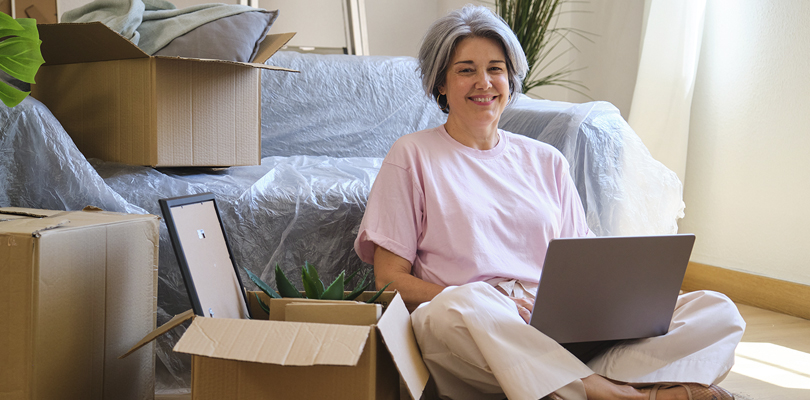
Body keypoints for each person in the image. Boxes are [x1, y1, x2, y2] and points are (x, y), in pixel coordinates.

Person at [354, 5, 745, 400]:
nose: (484, 82)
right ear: (440, 83)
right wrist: (484, 300)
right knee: (455, 308)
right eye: (466, 69)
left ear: (510, 78)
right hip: (477, 331)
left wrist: (614, 304)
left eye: (496, 68)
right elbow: (388, 281)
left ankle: (578, 385)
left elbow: (583, 260)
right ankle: (631, 395)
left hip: (557, 330)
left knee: (716, 310)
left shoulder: (546, 160)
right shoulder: (411, 156)